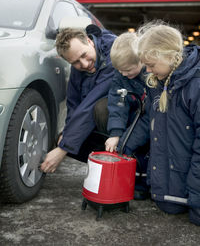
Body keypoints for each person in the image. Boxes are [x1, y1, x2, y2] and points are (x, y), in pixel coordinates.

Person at [120, 21, 200, 226]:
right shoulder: (158, 83)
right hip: (167, 190)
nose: (147, 70)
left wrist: (196, 196)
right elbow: (148, 120)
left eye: (151, 65)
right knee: (169, 208)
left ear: (169, 56)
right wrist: (124, 147)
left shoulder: (195, 85)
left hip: (188, 187)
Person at [40, 24, 117, 173]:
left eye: (83, 55)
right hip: (100, 121)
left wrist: (63, 149)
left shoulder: (114, 53)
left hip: (130, 119)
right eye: (75, 62)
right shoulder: (79, 68)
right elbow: (74, 105)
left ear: (89, 41)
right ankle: (106, 162)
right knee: (64, 137)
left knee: (101, 108)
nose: (84, 64)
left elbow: (90, 104)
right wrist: (65, 136)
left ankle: (128, 161)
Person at [105, 32, 150, 200]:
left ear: (141, 60)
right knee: (128, 146)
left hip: (150, 120)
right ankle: (131, 179)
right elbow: (118, 103)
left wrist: (125, 141)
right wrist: (116, 132)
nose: (124, 74)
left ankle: (144, 182)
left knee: (140, 147)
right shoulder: (120, 76)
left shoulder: (151, 74)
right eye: (120, 70)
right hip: (135, 116)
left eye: (128, 70)